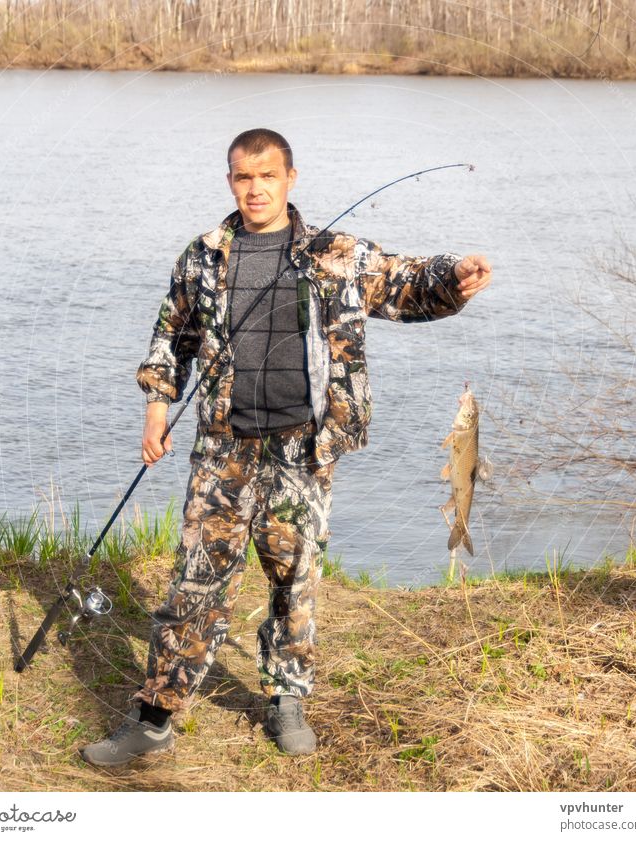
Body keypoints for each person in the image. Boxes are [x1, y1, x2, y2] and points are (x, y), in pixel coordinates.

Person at [80, 128, 492, 766]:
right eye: (243, 178)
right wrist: (156, 410)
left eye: (266, 176)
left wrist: (455, 277)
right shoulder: (204, 256)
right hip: (223, 451)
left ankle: (285, 699)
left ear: (290, 179)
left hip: (303, 450)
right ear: (230, 182)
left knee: (294, 583)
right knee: (193, 583)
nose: (255, 189)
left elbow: (407, 283)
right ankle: (155, 715)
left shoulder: (337, 254)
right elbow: (171, 336)